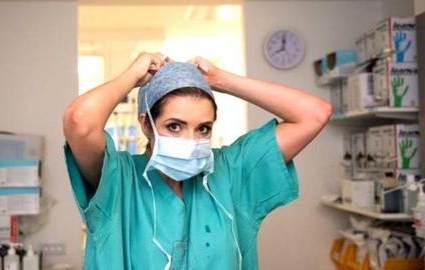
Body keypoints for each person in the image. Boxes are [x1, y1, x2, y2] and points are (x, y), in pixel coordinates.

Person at [63, 52, 332, 270]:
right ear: (146, 125)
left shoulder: (229, 172)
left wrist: (223, 81)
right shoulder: (118, 179)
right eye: (174, 126)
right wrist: (132, 75)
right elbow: (80, 121)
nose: (190, 141)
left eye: (203, 128)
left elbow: (314, 114)